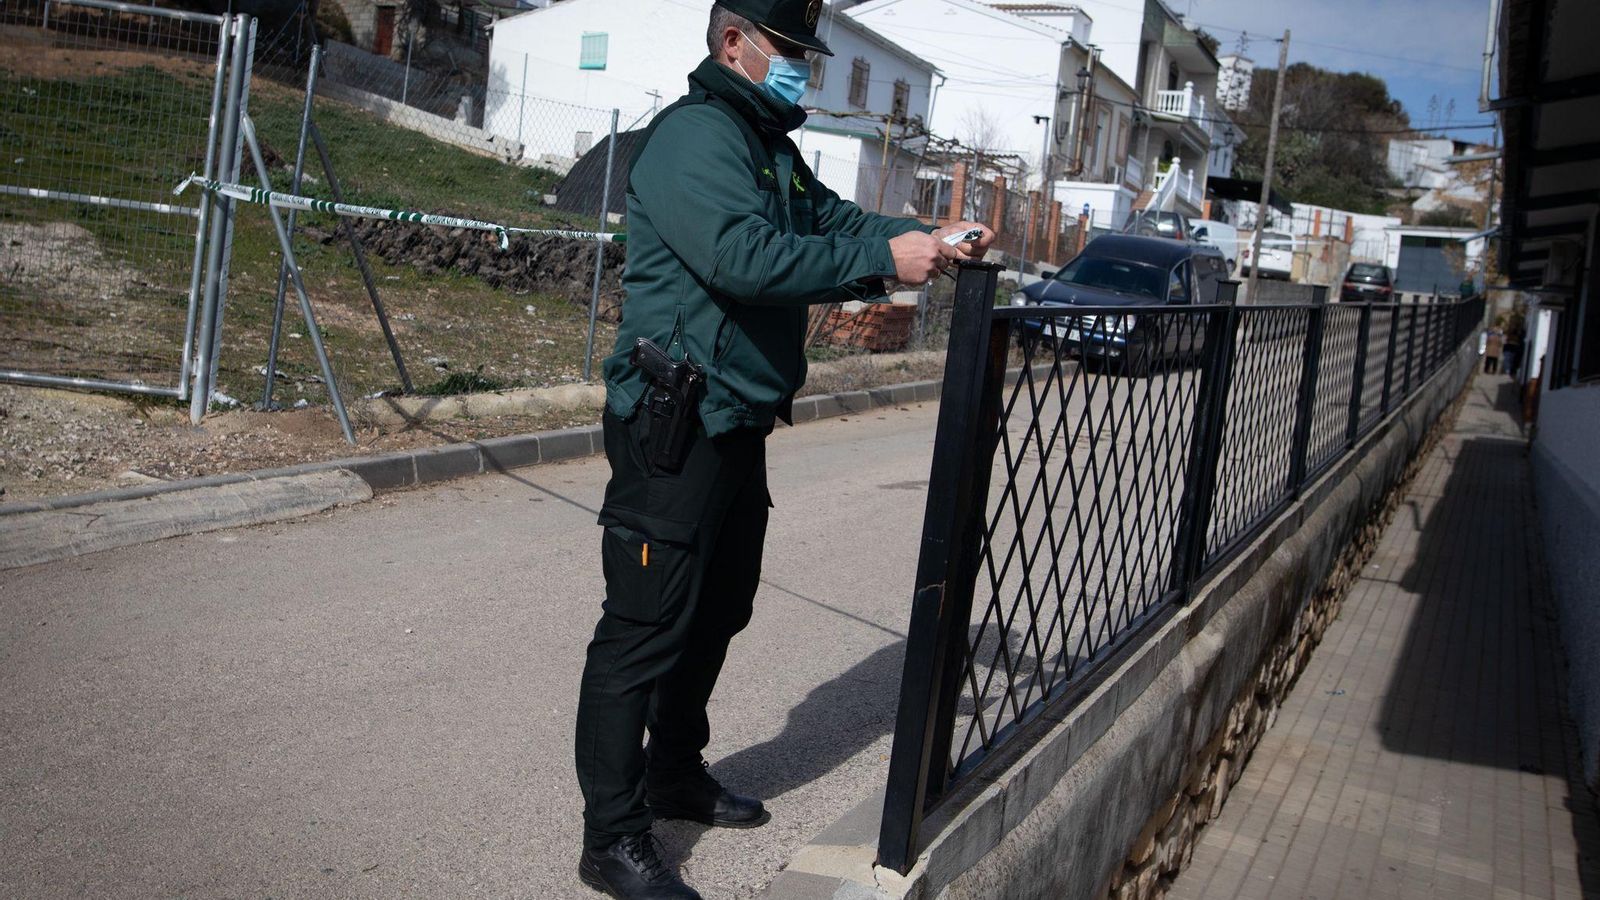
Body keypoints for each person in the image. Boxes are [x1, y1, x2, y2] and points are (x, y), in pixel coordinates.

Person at [571, 2, 995, 897]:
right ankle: (611, 839)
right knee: (642, 629)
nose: (803, 67)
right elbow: (741, 255)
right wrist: (882, 267)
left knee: (716, 609)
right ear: (734, 43)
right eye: (790, 51)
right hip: (674, 420)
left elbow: (831, 221)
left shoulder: (765, 142)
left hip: (734, 419)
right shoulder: (695, 137)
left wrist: (919, 241)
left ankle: (673, 773)